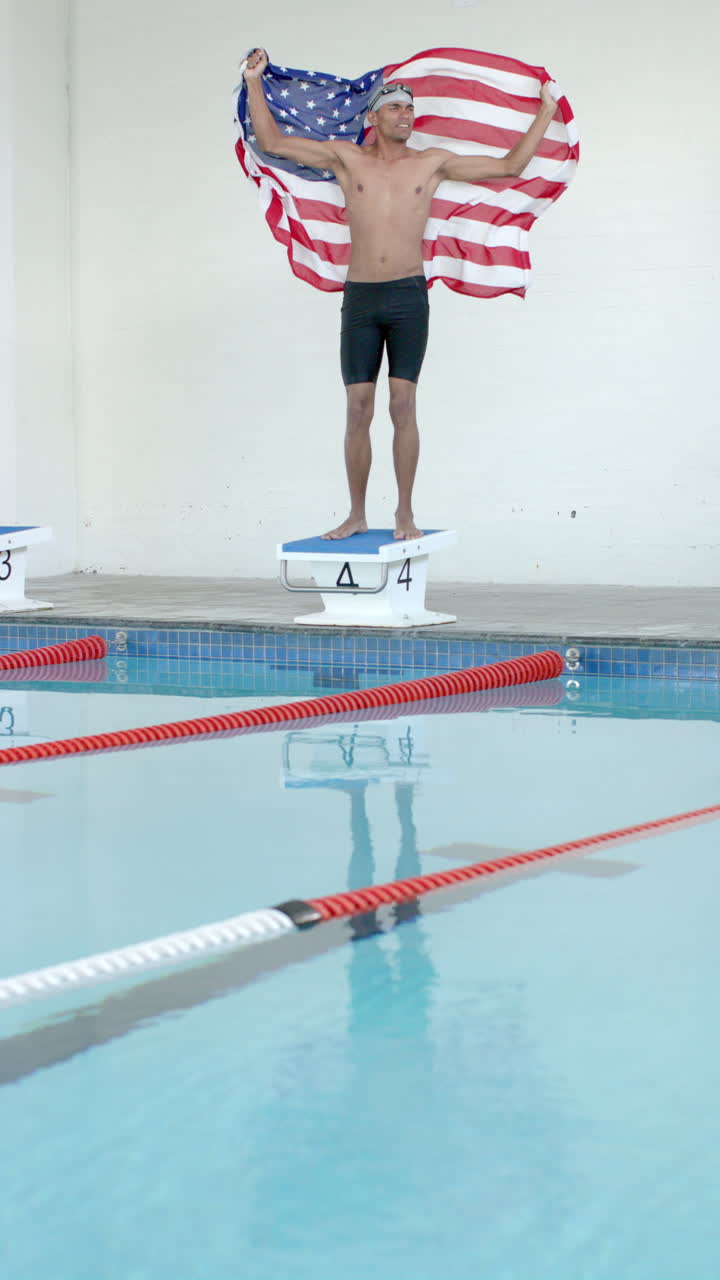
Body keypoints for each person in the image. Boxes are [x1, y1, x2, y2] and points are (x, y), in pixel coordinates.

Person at [243, 49, 557, 540]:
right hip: (362, 298)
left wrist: (545, 113)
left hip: (409, 296)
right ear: (374, 116)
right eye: (396, 108)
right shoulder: (346, 160)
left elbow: (509, 165)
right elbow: (272, 140)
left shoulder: (431, 164)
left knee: (403, 404)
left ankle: (404, 513)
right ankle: (356, 513)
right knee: (357, 409)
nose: (406, 115)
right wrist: (254, 79)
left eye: (411, 109)